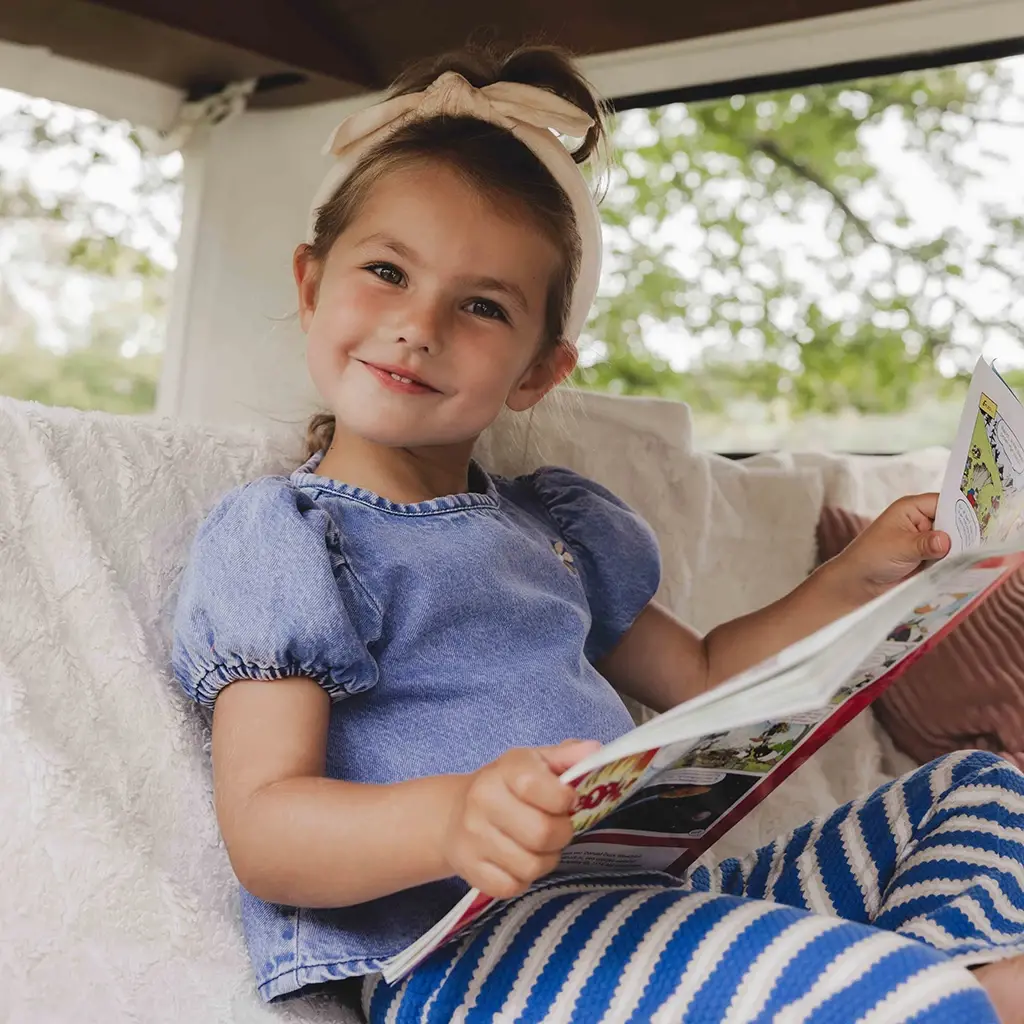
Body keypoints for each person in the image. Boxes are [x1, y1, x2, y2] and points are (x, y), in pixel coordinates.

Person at [171, 43, 1024, 1023]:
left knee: (977, 788)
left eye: (482, 306)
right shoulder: (288, 536)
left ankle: (945, 991)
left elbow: (705, 676)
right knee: (883, 986)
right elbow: (266, 825)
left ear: (538, 370)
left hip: (644, 910)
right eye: (386, 271)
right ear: (313, 284)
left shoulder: (555, 528)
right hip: (475, 953)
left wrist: (855, 575)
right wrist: (451, 819)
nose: (419, 324)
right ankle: (927, 1000)